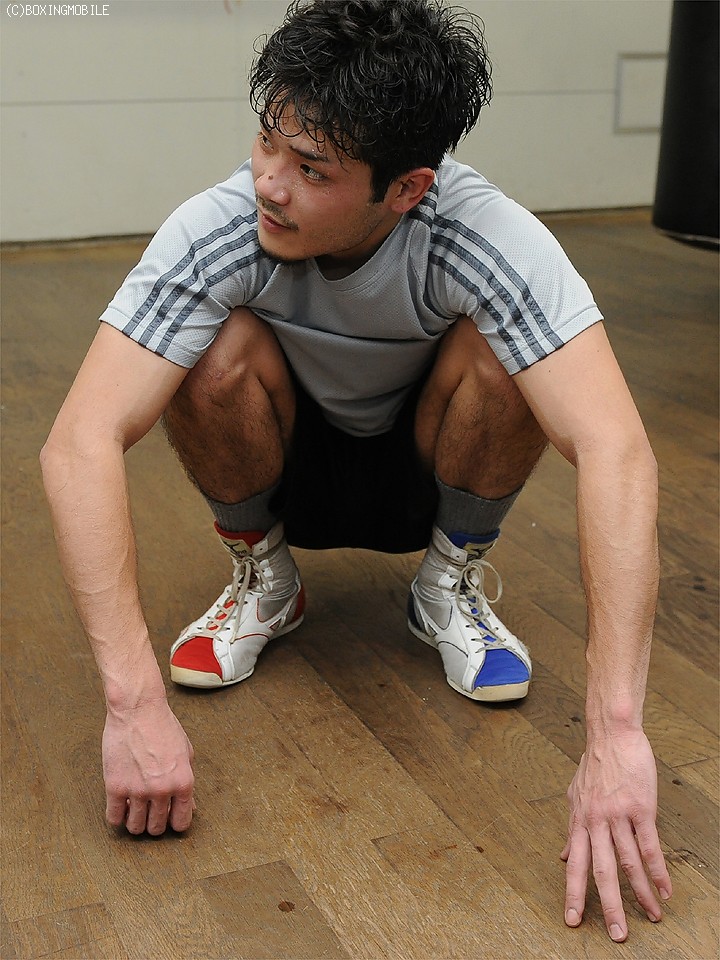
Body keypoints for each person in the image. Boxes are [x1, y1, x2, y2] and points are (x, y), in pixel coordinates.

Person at [40, 0, 672, 943]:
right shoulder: (221, 225)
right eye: (267, 142)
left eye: (311, 170)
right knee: (206, 354)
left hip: (432, 464)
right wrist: (131, 705)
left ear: (407, 188)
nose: (269, 184)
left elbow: (618, 449)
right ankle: (265, 578)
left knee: (518, 362)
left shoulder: (486, 235)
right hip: (280, 461)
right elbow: (77, 441)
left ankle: (447, 582)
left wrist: (618, 732)